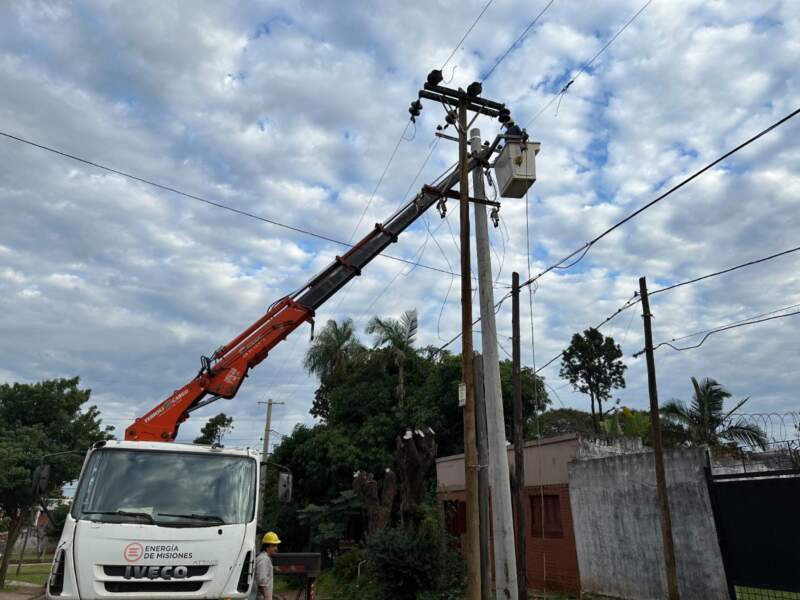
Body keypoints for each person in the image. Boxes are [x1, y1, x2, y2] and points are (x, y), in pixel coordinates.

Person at [255, 531, 280, 600]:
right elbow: (261, 581)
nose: (276, 548)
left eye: (276, 545)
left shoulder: (265, 558)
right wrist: (266, 597)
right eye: (273, 546)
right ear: (267, 547)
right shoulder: (264, 559)